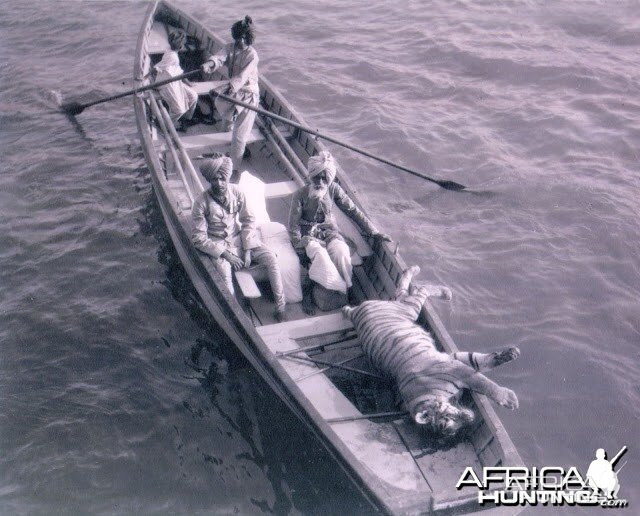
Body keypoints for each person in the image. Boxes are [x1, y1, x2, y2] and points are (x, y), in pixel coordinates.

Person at [288, 151, 391, 313]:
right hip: (308, 236)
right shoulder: (299, 195)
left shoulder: (333, 189)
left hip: (330, 232)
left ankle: (347, 290)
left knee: (341, 252)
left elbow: (353, 211)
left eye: (324, 178)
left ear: (329, 179)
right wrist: (299, 245)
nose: (320, 182)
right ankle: (307, 292)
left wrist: (373, 232)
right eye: (316, 177)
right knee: (319, 256)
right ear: (310, 175)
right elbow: (293, 227)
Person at [191, 154, 287, 321]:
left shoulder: (237, 192)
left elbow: (248, 221)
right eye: (214, 179)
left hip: (240, 239)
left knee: (271, 258)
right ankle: (238, 318)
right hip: (219, 245)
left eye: (222, 179)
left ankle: (281, 307)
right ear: (209, 180)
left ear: (227, 177)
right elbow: (199, 238)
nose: (219, 184)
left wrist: (248, 249)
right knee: (226, 277)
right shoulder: (201, 202)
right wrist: (227, 255)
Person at [201, 16, 259, 179]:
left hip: (248, 96)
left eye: (241, 39)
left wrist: (222, 89)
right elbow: (219, 58)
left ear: (246, 39)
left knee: (239, 136)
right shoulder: (230, 47)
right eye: (236, 39)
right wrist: (209, 65)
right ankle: (231, 145)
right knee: (225, 121)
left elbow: (241, 78)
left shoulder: (252, 56)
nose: (238, 42)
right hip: (233, 92)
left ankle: (233, 170)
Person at [154, 30, 199, 132]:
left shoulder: (171, 52)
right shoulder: (172, 56)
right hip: (165, 84)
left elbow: (178, 71)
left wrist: (187, 82)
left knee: (194, 96)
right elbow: (156, 68)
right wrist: (147, 79)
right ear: (181, 46)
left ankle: (186, 119)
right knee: (179, 110)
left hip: (174, 81)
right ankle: (164, 124)